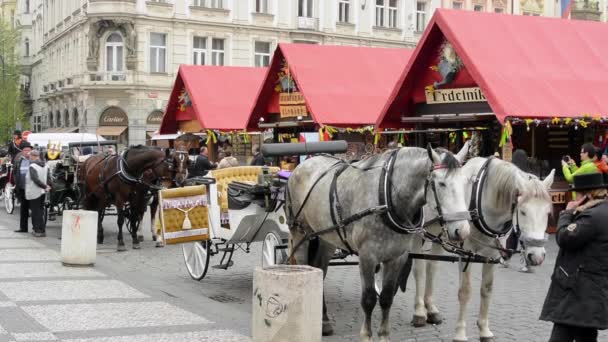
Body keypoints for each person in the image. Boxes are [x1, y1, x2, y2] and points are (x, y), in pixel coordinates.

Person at [540, 173, 608, 342]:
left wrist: (567, 213)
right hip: (593, 291)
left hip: (579, 291)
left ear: (587, 195)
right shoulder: (602, 211)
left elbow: (565, 237)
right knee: (586, 335)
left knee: (560, 336)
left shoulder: (593, 216)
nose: (574, 197)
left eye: (577, 194)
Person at [26, 150, 51, 237]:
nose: (29, 157)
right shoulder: (46, 165)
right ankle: (42, 230)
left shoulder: (33, 166)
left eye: (30, 156)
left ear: (33, 156)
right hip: (42, 192)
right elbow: (48, 178)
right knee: (40, 211)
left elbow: (35, 179)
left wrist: (44, 186)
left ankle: (37, 230)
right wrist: (47, 186)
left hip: (34, 191)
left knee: (35, 211)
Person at [13, 141, 33, 233]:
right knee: (23, 209)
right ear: (22, 151)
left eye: (29, 150)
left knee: (34, 209)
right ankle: (23, 228)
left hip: (32, 188)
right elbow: (15, 172)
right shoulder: (19, 160)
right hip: (22, 188)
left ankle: (36, 228)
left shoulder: (34, 160)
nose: (27, 152)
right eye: (25, 150)